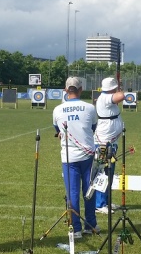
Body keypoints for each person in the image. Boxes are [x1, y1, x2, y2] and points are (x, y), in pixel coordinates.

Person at [52, 77, 98, 239]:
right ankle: (91, 225)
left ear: (66, 90)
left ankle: (76, 229)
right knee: (89, 192)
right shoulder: (90, 108)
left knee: (72, 194)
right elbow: (93, 128)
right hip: (87, 157)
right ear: (80, 90)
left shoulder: (57, 110)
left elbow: (57, 130)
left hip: (69, 157)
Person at [94, 77, 124, 214]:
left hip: (110, 140)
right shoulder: (105, 97)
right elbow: (121, 96)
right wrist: (120, 88)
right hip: (104, 140)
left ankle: (106, 201)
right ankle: (100, 204)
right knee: (104, 171)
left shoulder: (106, 97)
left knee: (109, 171)